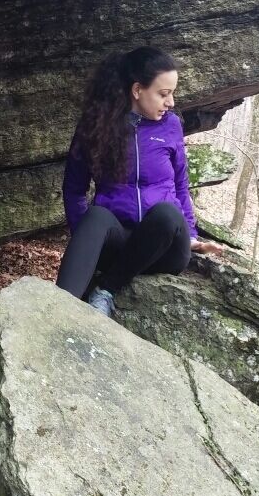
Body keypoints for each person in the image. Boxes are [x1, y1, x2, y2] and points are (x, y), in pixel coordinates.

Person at [56, 45, 223, 318]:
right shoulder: (96, 127)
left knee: (167, 213)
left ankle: (106, 289)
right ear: (137, 91)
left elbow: (181, 185)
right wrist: (85, 238)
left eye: (172, 94)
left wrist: (191, 235)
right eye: (163, 94)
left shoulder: (171, 126)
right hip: (120, 242)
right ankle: (58, 312)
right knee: (96, 216)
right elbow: (74, 189)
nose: (171, 102)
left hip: (164, 249)